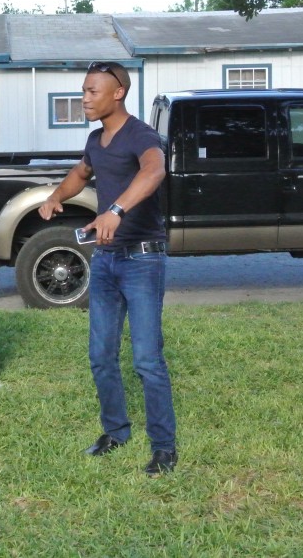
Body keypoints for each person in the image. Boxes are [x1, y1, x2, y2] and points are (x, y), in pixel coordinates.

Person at [38, 61, 177, 475]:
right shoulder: (97, 140)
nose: (84, 99)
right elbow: (81, 173)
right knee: (100, 355)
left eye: (92, 92)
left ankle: (164, 447)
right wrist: (55, 197)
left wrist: (116, 209)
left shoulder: (142, 135)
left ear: (117, 93)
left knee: (147, 360)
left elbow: (155, 170)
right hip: (107, 260)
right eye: (83, 91)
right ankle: (116, 431)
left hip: (142, 259)